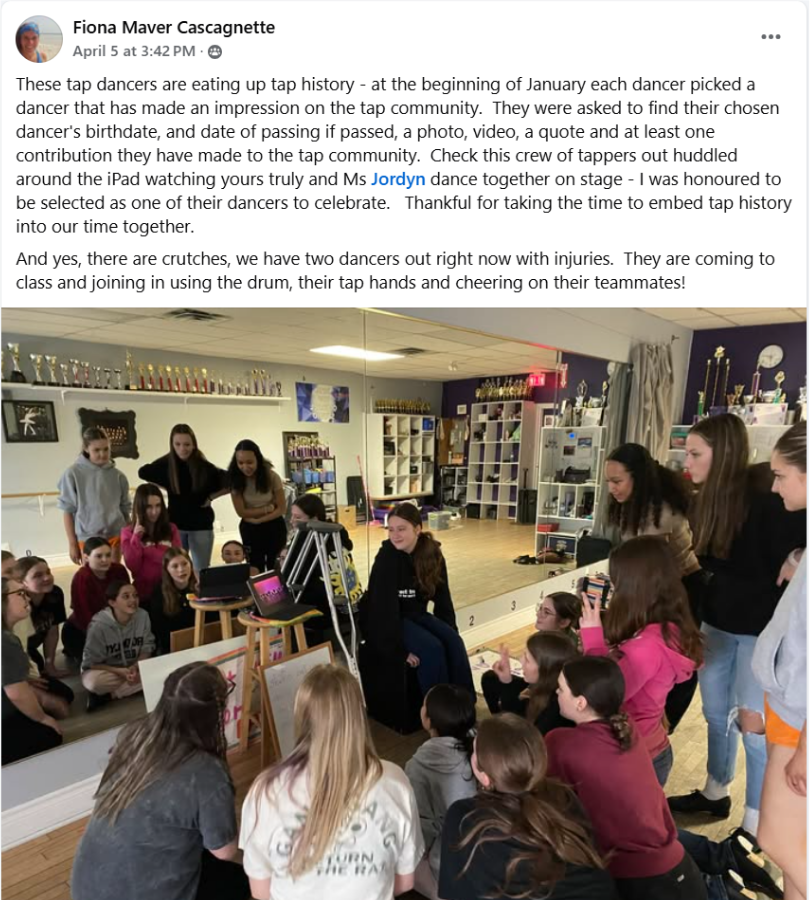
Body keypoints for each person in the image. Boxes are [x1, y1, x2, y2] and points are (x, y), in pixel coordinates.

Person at [669, 414, 805, 836]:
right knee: (715, 713)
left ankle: (755, 822)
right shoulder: (705, 500)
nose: (687, 462)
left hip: (758, 629)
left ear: (723, 453)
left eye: (696, 454)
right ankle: (716, 790)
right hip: (718, 622)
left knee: (752, 725)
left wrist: (797, 556)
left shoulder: (767, 495)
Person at [240, 664, 423, 899]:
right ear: (359, 716)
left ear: (301, 718)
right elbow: (405, 882)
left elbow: (261, 892)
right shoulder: (395, 783)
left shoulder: (265, 791)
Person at [71, 662, 250, 900]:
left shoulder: (134, 735)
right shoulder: (207, 773)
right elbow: (224, 852)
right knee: (241, 879)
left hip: (86, 888)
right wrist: (259, 858)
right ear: (215, 711)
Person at [548, 657, 706, 900]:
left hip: (642, 883)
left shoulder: (561, 743)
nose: (556, 693)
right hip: (679, 869)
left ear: (580, 702)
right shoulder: (626, 726)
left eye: (560, 688)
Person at [438, 714, 615, 900]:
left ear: (485, 776)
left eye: (475, 752)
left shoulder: (463, 816)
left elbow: (451, 895)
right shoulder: (563, 795)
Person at [580, 535, 703, 787]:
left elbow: (601, 696)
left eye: (617, 582)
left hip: (634, 757)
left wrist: (593, 641)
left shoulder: (646, 647)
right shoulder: (666, 630)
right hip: (650, 746)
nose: (613, 589)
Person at [605, 442, 704, 731]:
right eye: (608, 481)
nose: (611, 488)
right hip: (658, 586)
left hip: (682, 588)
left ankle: (663, 723)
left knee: (676, 657)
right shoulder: (634, 505)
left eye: (617, 481)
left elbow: (644, 571)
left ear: (638, 477)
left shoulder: (659, 516)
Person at [752, 422, 807, 900]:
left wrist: (806, 746)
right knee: (795, 848)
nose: (774, 487)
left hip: (798, 722)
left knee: (776, 839)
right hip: (787, 710)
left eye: (781, 475)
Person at [360, 503, 474, 696]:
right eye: (391, 529)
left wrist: (449, 632)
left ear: (417, 529)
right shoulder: (386, 558)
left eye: (401, 529)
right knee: (432, 649)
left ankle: (463, 704)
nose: (395, 535)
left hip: (416, 614)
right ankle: (436, 708)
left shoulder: (432, 554)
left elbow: (443, 599)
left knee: (455, 643)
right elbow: (381, 610)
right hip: (391, 618)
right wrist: (398, 651)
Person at [405, 684, 478, 900]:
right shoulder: (481, 747)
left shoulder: (418, 766)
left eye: (424, 705)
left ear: (428, 720)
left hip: (447, 866)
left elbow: (423, 827)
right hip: (485, 853)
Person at [138, 424, 229, 572]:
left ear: (194, 444)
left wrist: (211, 497)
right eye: (177, 444)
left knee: (201, 571)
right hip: (176, 525)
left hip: (201, 526)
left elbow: (232, 482)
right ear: (172, 445)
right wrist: (167, 486)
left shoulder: (204, 467)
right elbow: (143, 472)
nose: (182, 449)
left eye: (187, 444)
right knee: (176, 568)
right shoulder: (167, 465)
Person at [284, 494, 362, 644]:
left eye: (298, 517)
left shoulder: (303, 537)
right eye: (292, 516)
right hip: (351, 607)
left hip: (322, 613)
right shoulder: (337, 532)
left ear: (314, 519)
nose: (292, 521)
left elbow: (289, 577)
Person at [2, 578, 63, 765]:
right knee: (50, 734)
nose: (27, 598)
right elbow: (16, 693)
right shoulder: (5, 642)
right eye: (20, 594)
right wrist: (43, 718)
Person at [57, 426, 131, 565]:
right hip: (87, 538)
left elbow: (125, 510)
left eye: (106, 449)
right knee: (91, 575)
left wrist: (129, 537)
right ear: (86, 449)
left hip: (115, 535)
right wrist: (72, 543)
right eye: (96, 450)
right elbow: (68, 511)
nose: (102, 454)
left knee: (115, 574)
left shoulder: (118, 476)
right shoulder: (72, 474)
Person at [481, 631, 579, 734]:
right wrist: (506, 680)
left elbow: (516, 728)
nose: (520, 660)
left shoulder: (555, 711)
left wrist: (507, 685)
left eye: (527, 660)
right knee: (490, 678)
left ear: (546, 670)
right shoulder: (547, 688)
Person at [81, 582, 155, 712]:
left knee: (163, 671)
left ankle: (110, 695)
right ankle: (133, 686)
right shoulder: (98, 625)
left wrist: (136, 667)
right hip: (107, 671)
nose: (133, 600)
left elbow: (147, 647)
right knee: (93, 682)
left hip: (132, 668)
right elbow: (91, 663)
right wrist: (119, 671)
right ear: (112, 602)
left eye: (135, 595)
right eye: (126, 596)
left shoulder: (143, 615)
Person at [61, 537, 130, 663]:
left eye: (108, 555)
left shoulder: (119, 570)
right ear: (86, 557)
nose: (105, 560)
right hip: (82, 631)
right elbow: (84, 615)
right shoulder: (82, 578)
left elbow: (128, 600)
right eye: (99, 556)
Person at [228, 439, 288, 573]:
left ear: (258, 460)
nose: (245, 467)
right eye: (240, 463)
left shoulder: (272, 477)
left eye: (249, 462)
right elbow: (241, 512)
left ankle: (278, 587)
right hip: (250, 528)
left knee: (276, 564)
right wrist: (267, 509)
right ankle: (258, 588)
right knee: (255, 566)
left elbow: (281, 509)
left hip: (274, 525)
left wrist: (260, 519)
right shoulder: (235, 480)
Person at [121, 483, 181, 600]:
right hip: (144, 593)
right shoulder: (127, 532)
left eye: (158, 506)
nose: (154, 512)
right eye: (149, 507)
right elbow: (133, 566)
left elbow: (176, 561)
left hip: (170, 590)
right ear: (139, 508)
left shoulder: (171, 528)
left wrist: (148, 552)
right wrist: (136, 538)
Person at [148, 548, 199, 655]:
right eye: (175, 566)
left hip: (201, 642)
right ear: (167, 570)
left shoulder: (200, 587)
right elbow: (160, 630)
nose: (181, 570)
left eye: (185, 564)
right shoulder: (159, 594)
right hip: (173, 649)